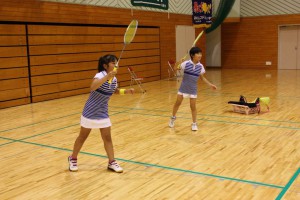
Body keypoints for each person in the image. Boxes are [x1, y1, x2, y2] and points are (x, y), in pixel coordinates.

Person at [68, 54, 134, 173]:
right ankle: (72, 158)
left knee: (107, 138)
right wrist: (107, 76)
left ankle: (111, 162)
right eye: (113, 63)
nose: (116, 65)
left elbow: (115, 91)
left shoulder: (114, 79)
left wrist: (126, 91)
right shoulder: (100, 75)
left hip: (103, 112)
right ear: (105, 66)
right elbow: (92, 87)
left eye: (116, 63)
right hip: (90, 112)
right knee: (82, 137)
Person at [169, 47, 217, 131]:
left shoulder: (200, 66)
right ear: (192, 55)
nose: (200, 55)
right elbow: (175, 69)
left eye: (200, 53)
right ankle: (172, 118)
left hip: (193, 89)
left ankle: (194, 124)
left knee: (193, 106)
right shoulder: (186, 63)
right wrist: (178, 62)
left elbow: (202, 78)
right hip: (183, 87)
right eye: (198, 53)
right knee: (177, 103)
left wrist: (210, 85)